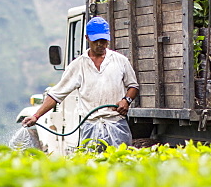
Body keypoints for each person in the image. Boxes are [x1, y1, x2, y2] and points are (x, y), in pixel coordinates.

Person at [23, 16, 139, 148]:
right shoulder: (78, 65)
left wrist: (127, 100)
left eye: (103, 40)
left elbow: (133, 86)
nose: (100, 44)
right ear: (87, 38)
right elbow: (56, 94)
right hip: (90, 126)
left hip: (117, 124)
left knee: (122, 163)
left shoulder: (120, 60)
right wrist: (36, 116)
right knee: (91, 164)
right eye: (96, 40)